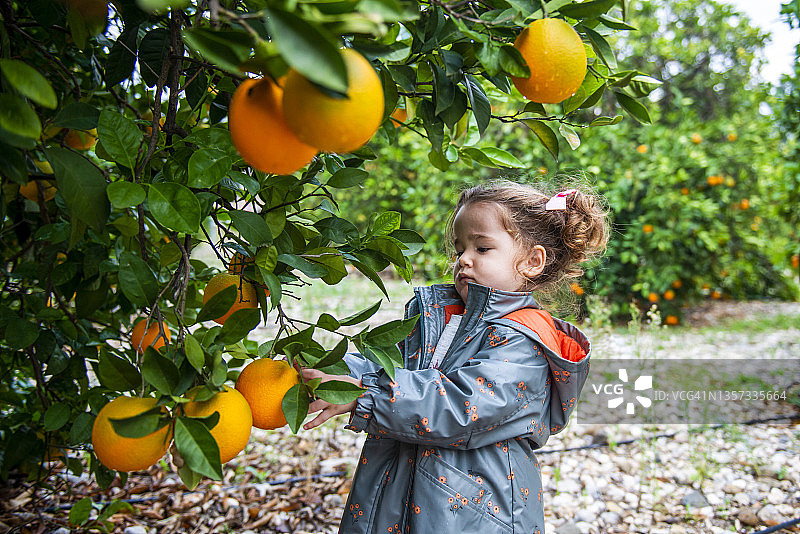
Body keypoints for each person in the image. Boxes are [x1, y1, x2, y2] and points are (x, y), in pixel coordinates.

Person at [303, 180, 609, 533]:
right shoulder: (439, 317)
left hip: (472, 512)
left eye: (482, 247)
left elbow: (460, 405)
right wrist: (329, 372)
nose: (464, 259)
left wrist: (365, 393)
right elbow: (388, 363)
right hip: (396, 493)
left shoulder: (525, 340)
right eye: (460, 247)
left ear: (531, 261)